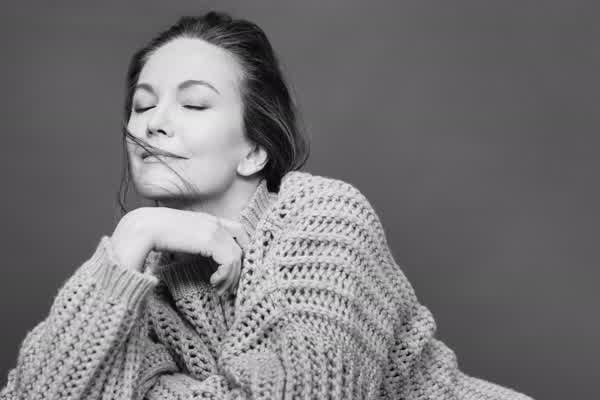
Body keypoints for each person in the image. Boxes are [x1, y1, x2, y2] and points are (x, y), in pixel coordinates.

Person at [0, 11, 534, 400]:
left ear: (255, 150)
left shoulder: (322, 217)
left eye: (194, 103)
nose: (153, 123)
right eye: (143, 105)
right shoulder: (138, 278)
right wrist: (134, 234)